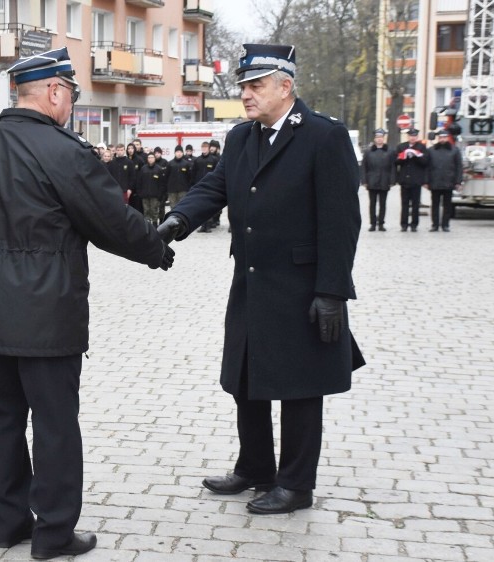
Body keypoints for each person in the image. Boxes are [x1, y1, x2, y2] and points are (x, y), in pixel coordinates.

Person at [0, 47, 174, 559]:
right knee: (54, 425)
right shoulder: (64, 151)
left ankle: (8, 525)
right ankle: (52, 535)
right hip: (47, 314)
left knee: (1, 420)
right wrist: (156, 249)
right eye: (70, 92)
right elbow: (109, 219)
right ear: (53, 92)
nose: (70, 102)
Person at [158, 43, 364, 515]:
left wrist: (332, 291)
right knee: (247, 377)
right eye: (243, 87)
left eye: (255, 86)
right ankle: (255, 467)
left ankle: (296, 485)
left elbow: (341, 221)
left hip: (302, 286)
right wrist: (178, 220)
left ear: (285, 87)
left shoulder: (323, 136)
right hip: (251, 280)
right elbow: (216, 187)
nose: (246, 95)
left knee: (300, 385)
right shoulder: (242, 137)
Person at [426, 130, 462, 232]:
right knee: (435, 205)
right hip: (435, 181)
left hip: (449, 181)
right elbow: (427, 167)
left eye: (444, 137)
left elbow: (459, 167)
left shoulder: (455, 150)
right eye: (441, 137)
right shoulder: (431, 150)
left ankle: (445, 224)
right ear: (438, 138)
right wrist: (426, 181)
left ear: (447, 138)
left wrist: (458, 181)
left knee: (447, 205)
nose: (442, 139)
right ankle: (435, 224)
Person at [394, 128, 428, 232]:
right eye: (410, 136)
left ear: (417, 137)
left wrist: (416, 155)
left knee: (415, 204)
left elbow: (425, 162)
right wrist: (403, 156)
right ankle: (404, 224)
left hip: (416, 180)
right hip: (404, 180)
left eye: (414, 136)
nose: (412, 138)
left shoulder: (422, 147)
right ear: (408, 137)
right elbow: (396, 162)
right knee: (404, 204)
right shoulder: (401, 147)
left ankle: (414, 224)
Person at [361, 128, 394, 232]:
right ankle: (373, 223)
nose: (379, 139)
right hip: (372, 180)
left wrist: (392, 181)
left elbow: (393, 167)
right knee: (372, 203)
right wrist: (364, 181)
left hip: (384, 180)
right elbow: (364, 167)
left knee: (383, 204)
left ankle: (381, 223)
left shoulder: (389, 151)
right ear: (375, 139)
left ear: (384, 138)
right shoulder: (368, 152)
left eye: (381, 137)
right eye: (377, 137)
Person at [135, 152, 166, 226]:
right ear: (147, 159)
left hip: (155, 196)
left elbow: (162, 184)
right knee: (146, 211)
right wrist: (140, 193)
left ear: (154, 159)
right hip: (145, 195)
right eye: (149, 158)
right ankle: (147, 226)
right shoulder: (143, 169)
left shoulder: (158, 169)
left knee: (154, 211)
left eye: (152, 157)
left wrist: (160, 195)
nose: (150, 159)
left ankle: (155, 226)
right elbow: (139, 182)